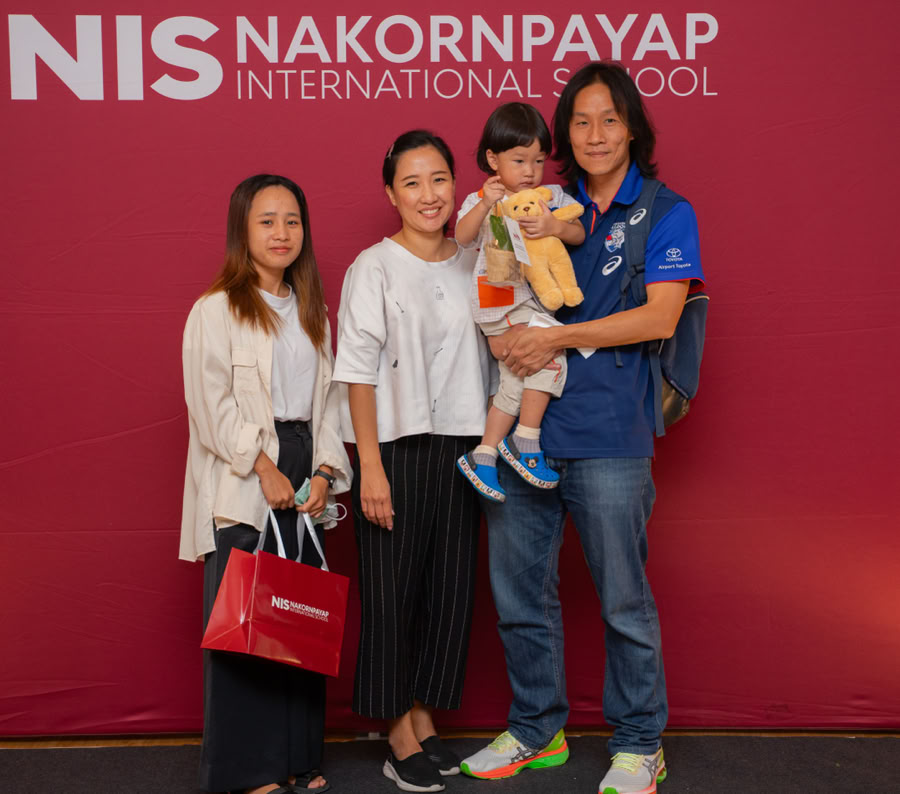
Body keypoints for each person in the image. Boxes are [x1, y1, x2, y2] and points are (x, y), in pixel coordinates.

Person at [460, 62, 705, 794]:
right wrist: (505, 334)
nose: (595, 135)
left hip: (610, 435)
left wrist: (556, 341)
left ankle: (639, 743)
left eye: (609, 119)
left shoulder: (665, 209)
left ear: (632, 127)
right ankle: (538, 730)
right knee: (518, 595)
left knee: (623, 598)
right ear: (563, 133)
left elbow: (661, 316)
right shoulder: (542, 199)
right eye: (580, 121)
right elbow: (487, 267)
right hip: (523, 434)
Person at [332, 130, 493, 793]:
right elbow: (357, 372)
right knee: (393, 594)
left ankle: (424, 713)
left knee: (449, 591)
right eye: (412, 183)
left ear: (457, 186)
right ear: (390, 194)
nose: (429, 195)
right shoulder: (372, 267)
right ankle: (395, 730)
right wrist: (369, 464)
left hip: (466, 443)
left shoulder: (477, 257)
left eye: (438, 180)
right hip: (395, 448)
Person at [180, 174, 351, 794]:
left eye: (293, 221)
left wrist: (328, 473)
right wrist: (264, 467)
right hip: (247, 473)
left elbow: (329, 404)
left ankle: (298, 760)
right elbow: (211, 407)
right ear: (242, 231)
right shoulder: (217, 308)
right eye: (267, 221)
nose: (282, 233)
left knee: (295, 619)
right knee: (247, 621)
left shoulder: (313, 310)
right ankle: (248, 771)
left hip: (308, 468)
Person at [454, 102, 586, 503]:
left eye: (538, 160)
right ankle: (526, 443)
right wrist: (483, 203)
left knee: (515, 379)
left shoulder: (550, 197)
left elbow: (578, 233)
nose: (530, 171)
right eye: (519, 160)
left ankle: (486, 453)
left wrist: (554, 225)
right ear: (493, 159)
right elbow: (461, 237)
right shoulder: (485, 198)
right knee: (550, 356)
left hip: (530, 304)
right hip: (498, 302)